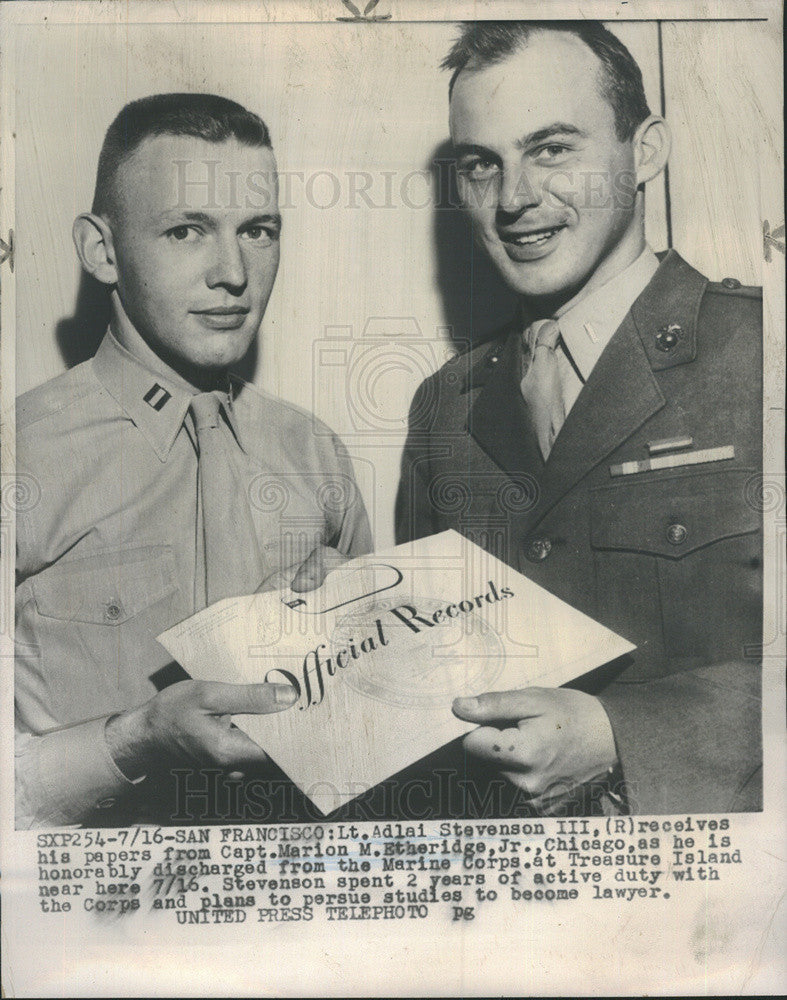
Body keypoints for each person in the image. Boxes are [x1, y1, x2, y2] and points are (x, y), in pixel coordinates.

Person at [396, 21, 762, 815]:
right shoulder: (443, 408)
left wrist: (626, 739)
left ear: (647, 151)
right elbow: (424, 694)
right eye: (480, 165)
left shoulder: (759, 352)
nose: (515, 197)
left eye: (551, 149)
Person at [15, 93, 371, 828]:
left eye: (259, 231)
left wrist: (367, 645)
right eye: (187, 231)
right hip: (93, 920)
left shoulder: (315, 454)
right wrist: (134, 741)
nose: (234, 273)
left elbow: (370, 744)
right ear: (101, 250)